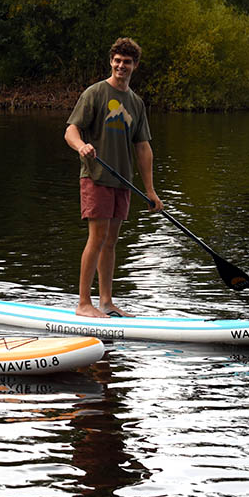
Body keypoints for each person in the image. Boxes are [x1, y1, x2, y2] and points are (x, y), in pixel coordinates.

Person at [64, 37, 163, 318]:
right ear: (111, 61)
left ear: (135, 66)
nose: (121, 66)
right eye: (117, 60)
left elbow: (143, 148)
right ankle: (84, 303)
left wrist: (151, 191)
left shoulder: (136, 103)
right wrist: (81, 145)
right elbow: (71, 130)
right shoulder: (94, 94)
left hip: (123, 181)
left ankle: (106, 302)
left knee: (111, 241)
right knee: (97, 238)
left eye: (127, 62)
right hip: (96, 176)